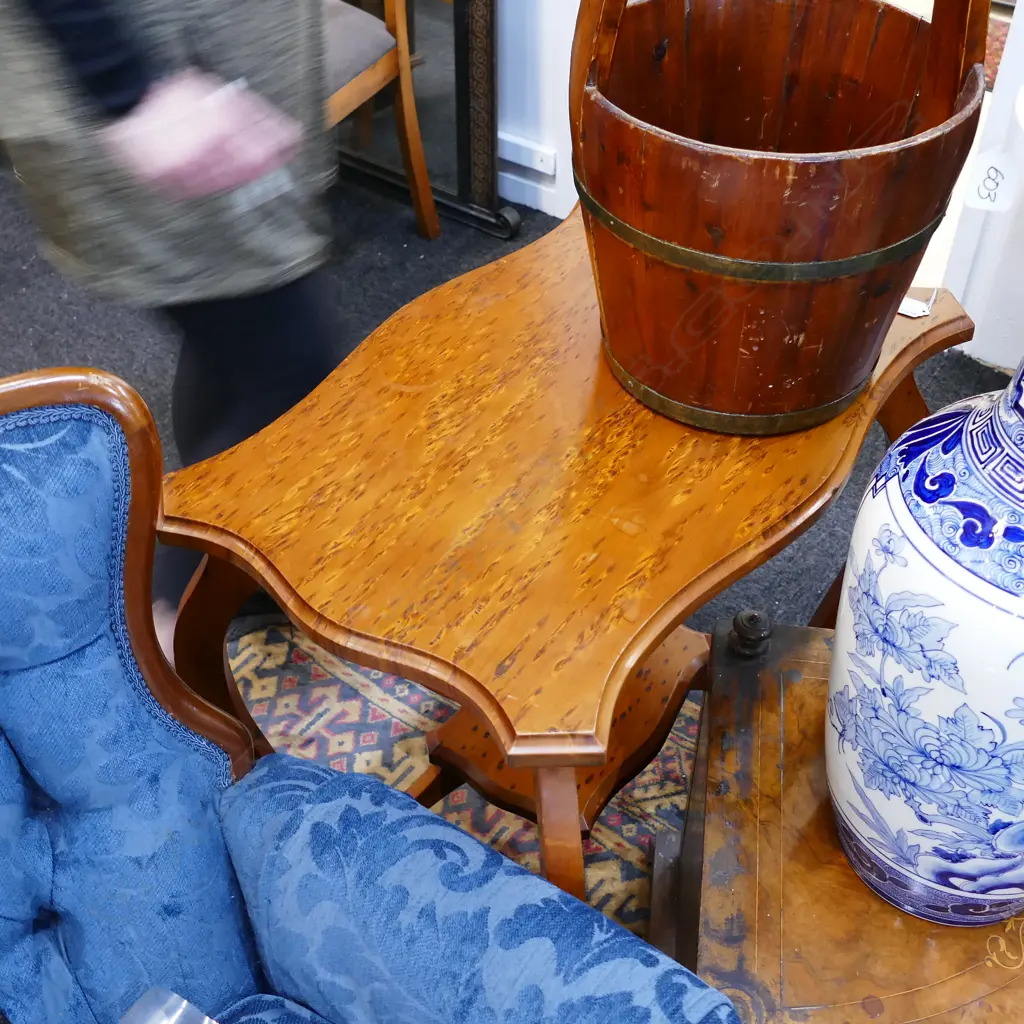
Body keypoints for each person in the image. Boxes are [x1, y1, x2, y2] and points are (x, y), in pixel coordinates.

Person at [0, 0, 346, 659]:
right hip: (152, 77)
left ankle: (232, 567)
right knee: (287, 364)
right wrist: (126, 88)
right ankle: (152, 661)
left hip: (212, 69)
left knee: (236, 340)